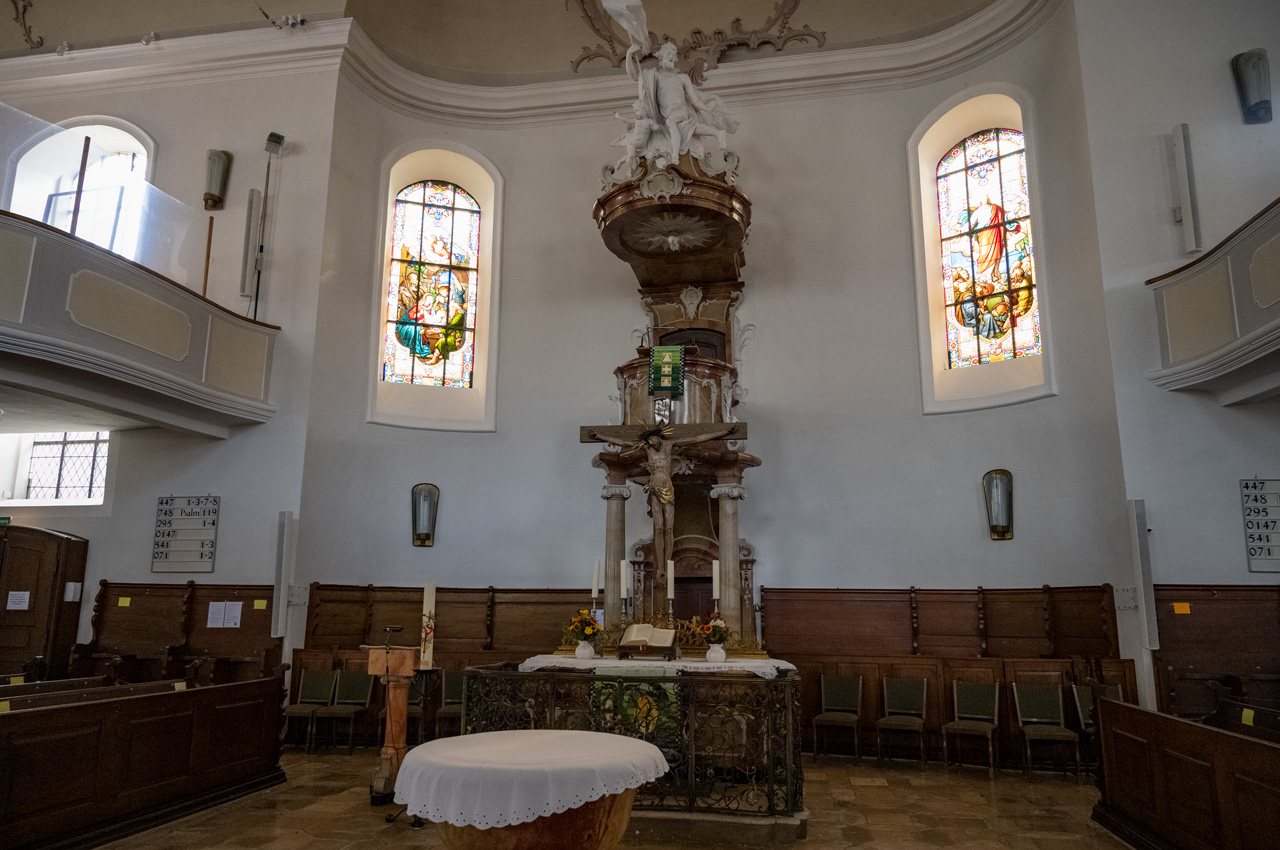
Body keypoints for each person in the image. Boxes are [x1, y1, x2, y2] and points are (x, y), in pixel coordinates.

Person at [589, 421, 740, 583]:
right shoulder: (647, 448)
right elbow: (623, 442)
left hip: (668, 489)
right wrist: (600, 436)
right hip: (654, 488)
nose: (652, 443)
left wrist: (724, 432)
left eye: (653, 439)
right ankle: (660, 565)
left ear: (658, 437)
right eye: (649, 441)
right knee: (659, 527)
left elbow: (697, 438)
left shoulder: (669, 445)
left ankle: (667, 563)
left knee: (669, 527)